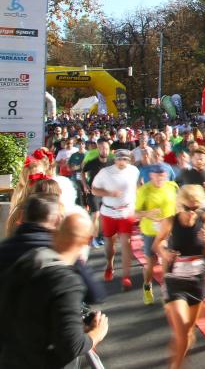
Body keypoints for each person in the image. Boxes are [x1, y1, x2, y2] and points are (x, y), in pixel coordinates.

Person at [0, 212, 109, 368]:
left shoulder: (31, 259)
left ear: (56, 232)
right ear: (88, 240)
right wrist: (95, 334)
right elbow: (72, 346)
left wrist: (72, 326)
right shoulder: (67, 282)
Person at [153, 185, 205, 369]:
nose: (191, 213)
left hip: (197, 282)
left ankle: (179, 352)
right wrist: (164, 252)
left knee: (187, 332)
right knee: (181, 330)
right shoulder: (170, 222)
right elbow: (157, 244)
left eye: (195, 208)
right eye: (187, 208)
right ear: (180, 205)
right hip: (176, 281)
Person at [91, 148, 140, 288]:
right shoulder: (105, 172)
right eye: (119, 158)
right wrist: (109, 193)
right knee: (109, 243)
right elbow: (94, 189)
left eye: (125, 159)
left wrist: (139, 204)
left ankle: (126, 277)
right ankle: (109, 264)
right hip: (109, 212)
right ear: (115, 159)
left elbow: (137, 187)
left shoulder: (134, 171)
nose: (122, 161)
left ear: (129, 160)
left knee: (126, 243)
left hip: (127, 211)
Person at [135, 162, 179, 305]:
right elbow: (134, 214)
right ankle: (147, 285)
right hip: (150, 231)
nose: (160, 178)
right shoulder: (144, 190)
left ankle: (166, 288)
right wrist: (148, 213)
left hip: (168, 230)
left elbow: (178, 205)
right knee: (151, 262)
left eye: (163, 175)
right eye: (157, 176)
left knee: (167, 258)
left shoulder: (173, 187)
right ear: (151, 175)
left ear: (167, 175)